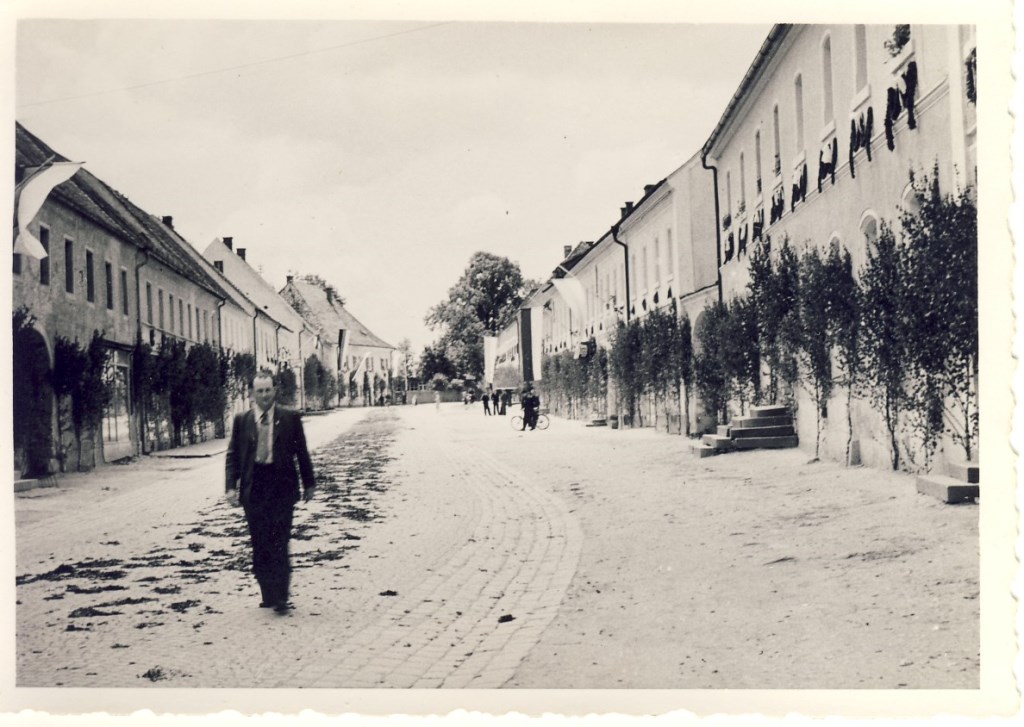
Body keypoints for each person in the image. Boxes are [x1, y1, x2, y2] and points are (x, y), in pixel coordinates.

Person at [225, 372, 316, 614]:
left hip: (282, 488)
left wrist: (309, 483)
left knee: (280, 541)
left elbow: (302, 452)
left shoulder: (290, 418)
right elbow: (233, 455)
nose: (264, 395)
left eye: (268, 390)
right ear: (252, 394)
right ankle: (268, 592)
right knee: (260, 543)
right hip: (254, 488)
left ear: (275, 390)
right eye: (260, 391)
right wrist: (230, 486)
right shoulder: (242, 420)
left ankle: (281, 596)